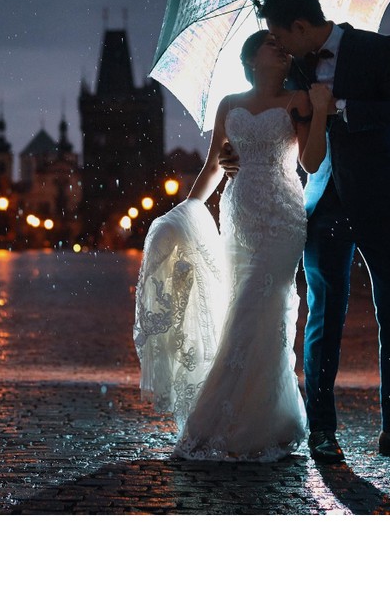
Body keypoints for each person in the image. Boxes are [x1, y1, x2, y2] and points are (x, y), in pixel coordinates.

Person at [230, 0, 390, 464]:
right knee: (324, 319)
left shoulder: (375, 48)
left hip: (383, 202)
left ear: (302, 27)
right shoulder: (293, 67)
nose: (279, 48)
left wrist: (341, 107)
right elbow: (266, 112)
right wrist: (234, 152)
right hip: (323, 202)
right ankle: (322, 432)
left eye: (282, 37)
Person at [134, 30, 333, 461]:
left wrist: (318, 114)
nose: (278, 47)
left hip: (282, 215)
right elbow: (211, 167)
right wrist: (185, 211)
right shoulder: (229, 103)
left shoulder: (298, 100)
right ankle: (265, 417)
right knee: (241, 308)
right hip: (238, 215)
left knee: (257, 308)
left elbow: (311, 162)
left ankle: (220, 422)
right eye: (269, 43)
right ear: (250, 59)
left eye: (281, 45)